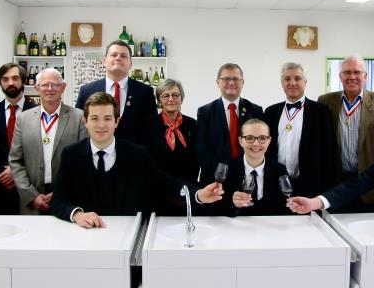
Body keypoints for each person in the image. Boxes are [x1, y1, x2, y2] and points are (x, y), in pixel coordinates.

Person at [50, 92, 223, 228]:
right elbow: (58, 200)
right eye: (94, 118)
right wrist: (77, 215)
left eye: (108, 118)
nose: (101, 125)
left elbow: (166, 183)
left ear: (117, 121)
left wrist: (198, 194)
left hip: (130, 236)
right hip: (87, 236)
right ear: (85, 121)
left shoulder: (137, 155)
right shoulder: (71, 155)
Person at [318, 55, 374, 211]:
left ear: (365, 76)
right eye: (347, 73)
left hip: (369, 183)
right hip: (336, 181)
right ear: (340, 76)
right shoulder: (325, 101)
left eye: (357, 72)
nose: (352, 77)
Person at [10, 68, 88, 215]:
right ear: (37, 88)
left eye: (55, 85)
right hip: (31, 201)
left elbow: (83, 161)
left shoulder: (78, 117)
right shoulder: (23, 118)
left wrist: (61, 192)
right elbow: (15, 160)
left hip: (67, 199)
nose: (50, 89)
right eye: (45, 85)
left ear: (63, 87)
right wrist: (31, 195)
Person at [263, 62, 337, 198]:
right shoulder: (270, 112)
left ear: (305, 81)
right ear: (282, 83)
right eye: (287, 79)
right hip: (275, 184)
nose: (292, 83)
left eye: (297, 78)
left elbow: (329, 151)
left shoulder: (321, 112)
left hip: (310, 185)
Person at [0, 63, 37, 214]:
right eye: (5, 79)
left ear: (23, 81)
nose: (10, 83)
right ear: (0, 83)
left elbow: (40, 149)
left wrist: (15, 171)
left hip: (30, 186)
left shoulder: (38, 112)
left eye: (15, 78)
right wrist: (2, 172)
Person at [75, 40, 156, 143]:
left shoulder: (145, 92)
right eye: (113, 55)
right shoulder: (86, 91)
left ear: (130, 64)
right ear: (104, 61)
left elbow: (151, 128)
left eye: (123, 56)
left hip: (134, 155)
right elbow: (79, 126)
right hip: (95, 154)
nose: (118, 58)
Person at [196, 63, 263, 185]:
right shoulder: (205, 112)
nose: (231, 83)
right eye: (226, 79)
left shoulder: (255, 110)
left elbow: (260, 145)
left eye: (236, 79)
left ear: (243, 82)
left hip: (247, 180)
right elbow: (202, 149)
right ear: (217, 82)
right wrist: (222, 172)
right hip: (215, 181)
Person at [142, 79, 199, 215]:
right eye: (165, 96)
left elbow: (197, 159)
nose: (171, 99)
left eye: (175, 95)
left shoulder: (192, 124)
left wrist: (187, 188)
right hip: (158, 193)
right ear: (159, 100)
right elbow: (147, 162)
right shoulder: (148, 125)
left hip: (186, 192)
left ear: (181, 98)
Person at [222, 119, 289, 216]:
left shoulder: (280, 170)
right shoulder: (227, 169)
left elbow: (284, 207)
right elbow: (216, 208)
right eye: (249, 138)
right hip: (236, 228)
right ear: (241, 141)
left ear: (269, 141)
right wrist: (234, 204)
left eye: (262, 138)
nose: (256, 144)